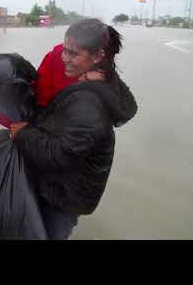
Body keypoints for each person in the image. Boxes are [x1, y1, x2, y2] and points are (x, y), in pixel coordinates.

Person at [10, 18, 138, 240]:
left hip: (65, 195)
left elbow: (59, 154)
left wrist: (22, 133)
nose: (64, 58)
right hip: (69, 188)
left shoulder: (87, 103)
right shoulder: (103, 81)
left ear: (98, 56)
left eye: (72, 53)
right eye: (64, 50)